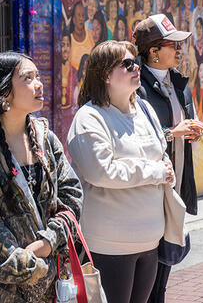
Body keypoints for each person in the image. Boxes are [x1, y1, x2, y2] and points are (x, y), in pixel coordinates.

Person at [0, 52, 83, 303]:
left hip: (52, 286)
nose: (39, 84)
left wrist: (49, 240)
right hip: (0, 291)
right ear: (4, 92)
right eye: (27, 78)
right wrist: (33, 265)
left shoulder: (45, 137)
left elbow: (73, 196)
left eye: (38, 76)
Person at [67, 40, 175, 303]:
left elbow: (159, 154)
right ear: (105, 74)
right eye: (126, 64)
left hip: (149, 241)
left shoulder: (145, 109)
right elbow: (102, 172)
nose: (135, 67)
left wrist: (166, 167)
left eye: (135, 62)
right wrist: (155, 171)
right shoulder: (89, 117)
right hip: (109, 244)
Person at [133, 13, 203, 303]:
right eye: (172, 44)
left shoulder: (179, 82)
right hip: (150, 190)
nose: (179, 49)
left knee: (164, 270)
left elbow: (183, 123)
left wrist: (193, 129)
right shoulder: (135, 87)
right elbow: (137, 137)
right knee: (147, 275)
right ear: (153, 51)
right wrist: (173, 132)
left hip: (175, 185)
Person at [69, 1, 94, 71]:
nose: (81, 19)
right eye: (79, 15)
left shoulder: (91, 35)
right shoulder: (69, 40)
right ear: (73, 19)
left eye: (83, 16)